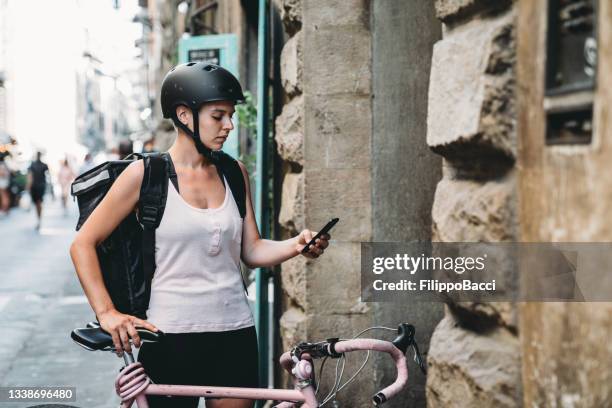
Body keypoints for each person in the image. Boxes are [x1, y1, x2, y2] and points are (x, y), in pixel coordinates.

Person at [70, 63, 330, 408]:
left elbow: (251, 249)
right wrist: (107, 313)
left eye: (231, 115)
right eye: (218, 116)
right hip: (170, 336)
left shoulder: (233, 172)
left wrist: (295, 245)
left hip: (234, 332)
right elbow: (82, 244)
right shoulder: (145, 175)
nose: (229, 125)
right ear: (184, 115)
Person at [27, 152, 49, 230]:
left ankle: (39, 219)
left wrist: (28, 187)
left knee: (37, 203)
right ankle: (39, 219)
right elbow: (48, 176)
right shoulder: (44, 165)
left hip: (35, 186)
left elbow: (30, 177)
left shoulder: (32, 165)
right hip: (41, 186)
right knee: (39, 203)